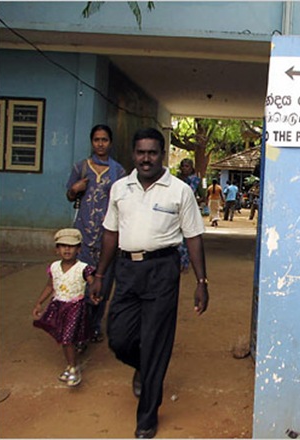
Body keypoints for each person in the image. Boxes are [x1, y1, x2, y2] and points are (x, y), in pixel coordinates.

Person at [90, 128, 209, 439]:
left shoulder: (179, 190)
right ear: (133, 154)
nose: (146, 158)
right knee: (118, 337)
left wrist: (201, 281)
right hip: (127, 268)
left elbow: (193, 236)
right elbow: (110, 233)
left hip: (162, 270)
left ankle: (147, 416)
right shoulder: (119, 188)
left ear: (162, 155)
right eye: (141, 152)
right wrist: (100, 274)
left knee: (156, 342)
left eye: (152, 153)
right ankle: (143, 366)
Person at [66, 124, 126, 346]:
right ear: (92, 142)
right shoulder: (81, 167)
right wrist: (75, 188)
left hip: (107, 237)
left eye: (105, 140)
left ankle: (94, 325)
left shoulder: (118, 172)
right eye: (97, 140)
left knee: (103, 281)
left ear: (110, 143)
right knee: (80, 283)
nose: (100, 144)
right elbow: (69, 195)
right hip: (82, 234)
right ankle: (79, 327)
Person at [33, 228, 96, 388]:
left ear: (79, 249)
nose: (67, 249)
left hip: (75, 308)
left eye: (72, 246)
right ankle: (70, 365)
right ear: (57, 249)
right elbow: (50, 286)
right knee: (64, 338)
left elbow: (93, 283)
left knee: (68, 338)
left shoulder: (83, 268)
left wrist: (95, 294)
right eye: (63, 246)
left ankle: (74, 368)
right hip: (58, 306)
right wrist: (39, 302)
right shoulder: (54, 267)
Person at [176, 158, 201, 272]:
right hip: (177, 211)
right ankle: (179, 262)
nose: (185, 168)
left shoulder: (195, 180)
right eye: (183, 166)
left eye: (187, 166)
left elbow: (197, 194)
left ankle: (185, 263)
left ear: (191, 168)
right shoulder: (177, 180)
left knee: (188, 238)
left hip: (189, 211)